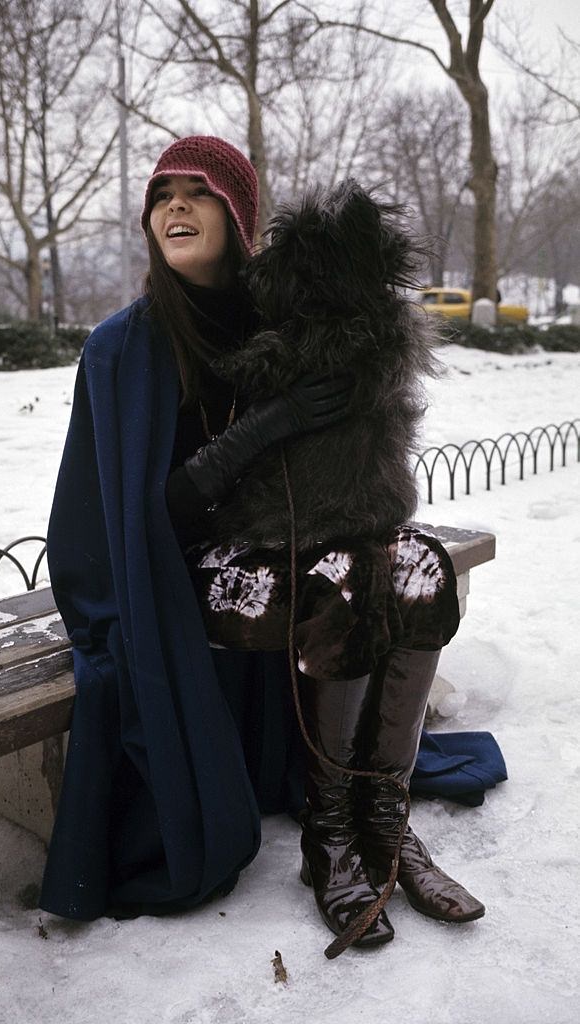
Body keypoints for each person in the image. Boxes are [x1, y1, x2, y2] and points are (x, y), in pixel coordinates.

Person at [40, 135, 485, 953]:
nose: (174, 205)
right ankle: (329, 834)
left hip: (285, 541)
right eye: (162, 193)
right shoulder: (124, 347)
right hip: (175, 570)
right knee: (349, 583)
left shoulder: (279, 314)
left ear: (237, 216)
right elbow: (139, 521)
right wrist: (261, 430)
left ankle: (382, 822)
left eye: (198, 192)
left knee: (419, 563)